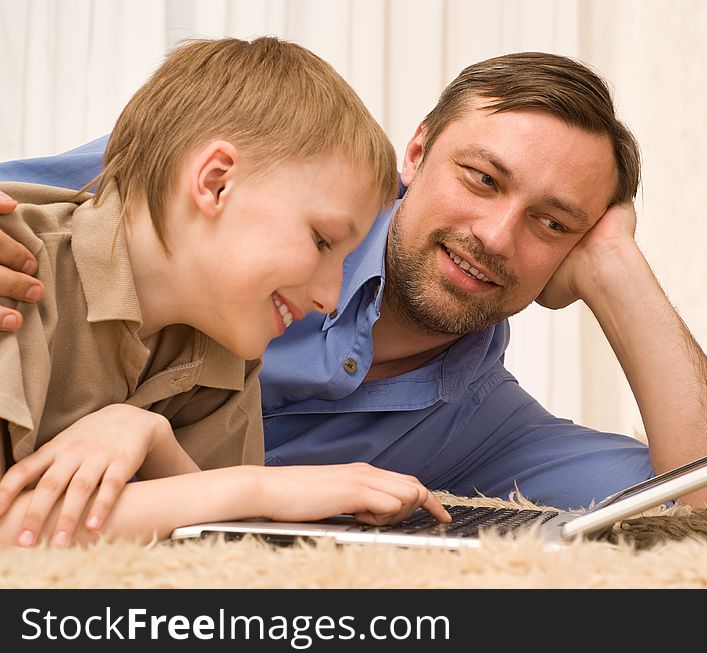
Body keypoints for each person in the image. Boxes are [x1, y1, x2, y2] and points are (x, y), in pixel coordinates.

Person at [0, 51, 707, 521]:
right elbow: (57, 218)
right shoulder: (265, 180)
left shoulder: (490, 427)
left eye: (551, 223)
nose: (496, 235)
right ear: (419, 151)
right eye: (482, 178)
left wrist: (618, 270)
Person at [0, 36, 451, 549]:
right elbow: (14, 532)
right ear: (215, 183)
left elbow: (205, 537)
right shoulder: (17, 270)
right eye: (321, 240)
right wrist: (259, 488)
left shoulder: (227, 347)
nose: (330, 297)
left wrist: (151, 436)